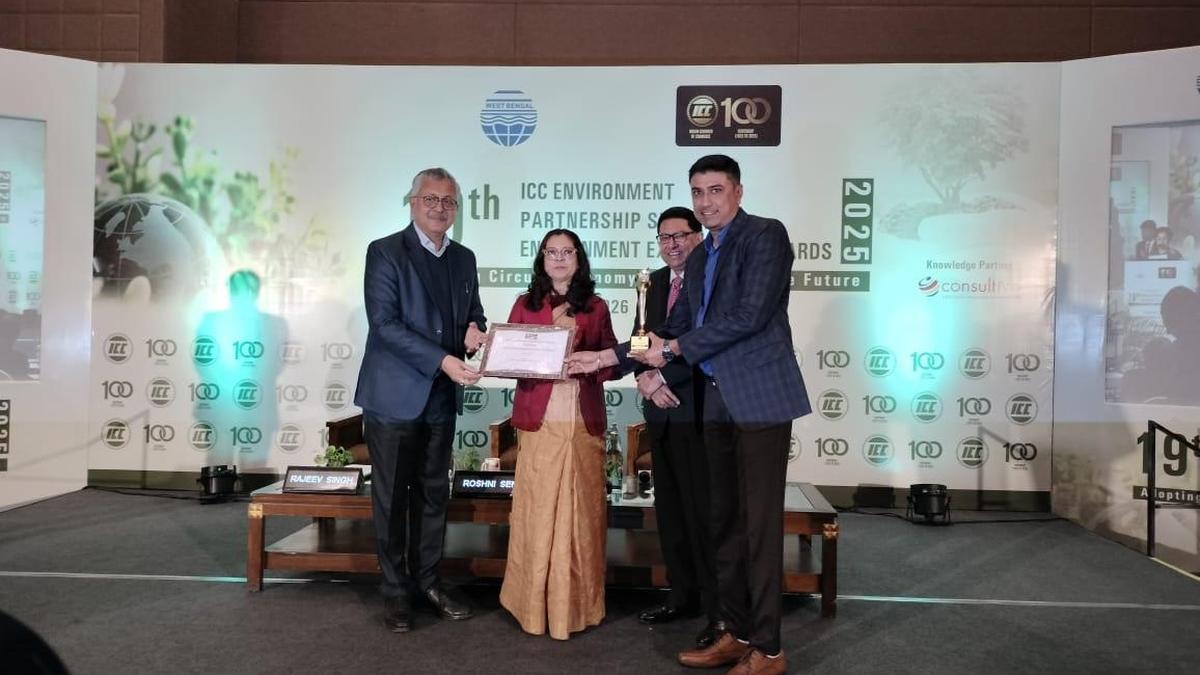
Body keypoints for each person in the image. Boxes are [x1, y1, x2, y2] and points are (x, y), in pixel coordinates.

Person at [571, 155, 810, 675]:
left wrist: (674, 349)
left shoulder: (764, 236)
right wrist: (608, 357)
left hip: (759, 398)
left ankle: (768, 649)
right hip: (716, 401)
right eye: (698, 192)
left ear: (738, 192)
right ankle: (735, 631)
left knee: (758, 528)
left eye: (715, 190)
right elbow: (669, 326)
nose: (705, 202)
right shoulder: (701, 258)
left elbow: (748, 316)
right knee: (723, 523)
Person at [568, 207, 721, 648]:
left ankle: (718, 613)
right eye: (664, 237)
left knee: (705, 515)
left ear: (698, 237)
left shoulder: (709, 278)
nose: (672, 244)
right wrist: (644, 378)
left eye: (681, 235)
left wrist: (652, 371)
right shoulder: (651, 282)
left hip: (698, 406)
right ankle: (682, 597)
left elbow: (693, 337)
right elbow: (643, 337)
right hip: (660, 408)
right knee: (670, 512)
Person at [354, 167, 488, 633]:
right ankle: (395, 592)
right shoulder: (385, 251)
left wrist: (473, 330)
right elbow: (385, 325)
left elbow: (473, 313)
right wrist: (444, 360)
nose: (439, 208)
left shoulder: (464, 258)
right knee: (392, 500)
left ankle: (428, 582)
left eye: (448, 201)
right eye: (430, 198)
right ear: (412, 202)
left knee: (434, 496)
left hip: (439, 398)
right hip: (394, 396)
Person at [499, 228, 619, 640]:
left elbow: (614, 362)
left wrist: (592, 362)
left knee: (581, 515)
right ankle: (531, 607)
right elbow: (509, 357)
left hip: (581, 421)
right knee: (536, 512)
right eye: (552, 252)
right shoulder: (525, 304)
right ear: (542, 259)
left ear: (579, 259)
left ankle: (578, 607)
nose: (560, 258)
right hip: (539, 421)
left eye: (567, 252)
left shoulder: (596, 307)